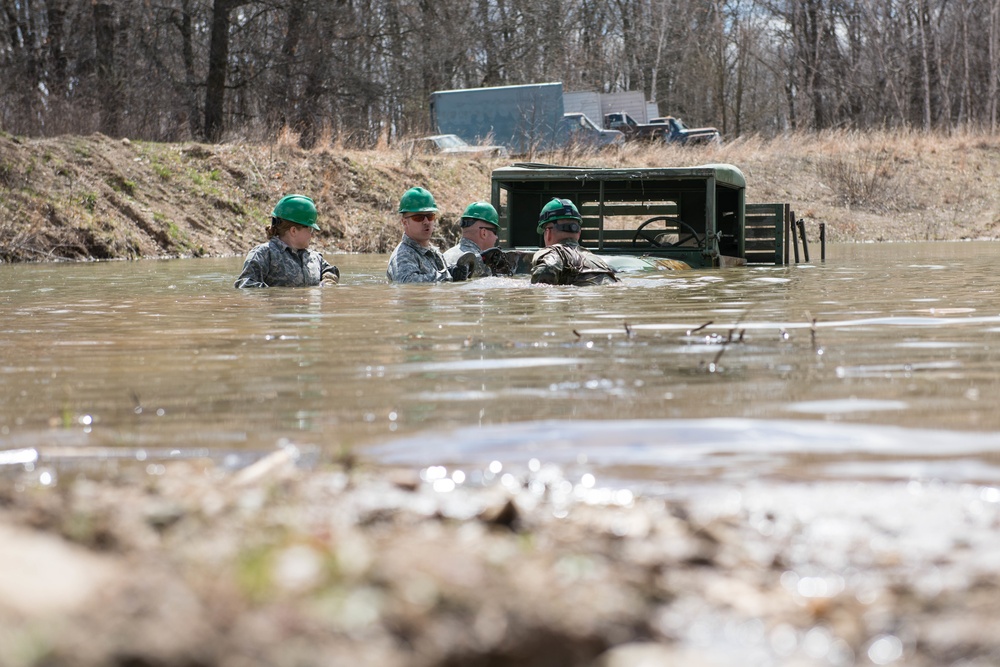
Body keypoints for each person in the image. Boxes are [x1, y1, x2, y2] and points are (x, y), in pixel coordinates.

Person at [234, 194, 340, 288]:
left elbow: (330, 271)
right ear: (293, 230)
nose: (312, 234)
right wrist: (279, 297)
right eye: (310, 229)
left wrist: (327, 283)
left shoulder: (314, 257)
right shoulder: (264, 254)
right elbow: (246, 285)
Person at [386, 187, 473, 283]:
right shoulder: (403, 255)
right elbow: (408, 283)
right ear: (405, 222)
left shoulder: (433, 252)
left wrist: (453, 270)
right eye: (419, 217)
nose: (426, 222)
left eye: (430, 216)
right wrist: (448, 276)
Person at [530, 197, 619, 286]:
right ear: (579, 233)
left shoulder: (554, 253)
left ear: (548, 232)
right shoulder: (599, 262)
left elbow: (546, 270)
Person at [443, 201, 511, 277]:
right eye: (495, 232)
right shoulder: (478, 265)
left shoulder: (444, 257)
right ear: (484, 233)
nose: (496, 237)